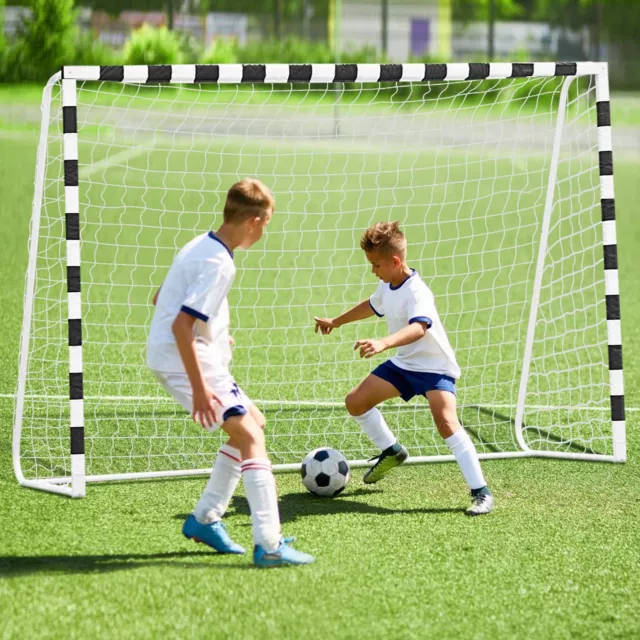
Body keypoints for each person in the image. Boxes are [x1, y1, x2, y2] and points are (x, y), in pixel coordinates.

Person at [147, 178, 315, 566]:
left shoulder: (200, 245)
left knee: (254, 423)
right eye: (267, 222)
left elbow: (162, 297)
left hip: (186, 352)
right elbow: (179, 326)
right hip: (184, 357)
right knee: (250, 436)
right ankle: (269, 545)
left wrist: (218, 332)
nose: (265, 231)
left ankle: (205, 518)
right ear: (254, 220)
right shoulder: (219, 263)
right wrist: (200, 388)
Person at [314, 221, 493, 515]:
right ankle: (392, 450)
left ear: (395, 261)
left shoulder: (418, 292)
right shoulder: (387, 284)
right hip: (405, 364)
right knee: (355, 402)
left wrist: (384, 343)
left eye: (376, 265)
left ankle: (481, 492)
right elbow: (372, 305)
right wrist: (336, 321)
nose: (373, 271)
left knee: (446, 422)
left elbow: (419, 328)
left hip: (435, 368)